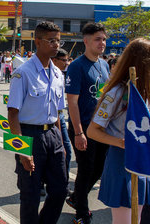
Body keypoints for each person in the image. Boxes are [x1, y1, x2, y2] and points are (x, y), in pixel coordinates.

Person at [8, 21, 67, 224]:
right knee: (31, 195)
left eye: (58, 41)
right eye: (51, 41)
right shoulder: (23, 73)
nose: (56, 45)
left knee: (60, 191)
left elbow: (57, 112)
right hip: (29, 134)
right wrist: (22, 151)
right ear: (38, 41)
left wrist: (61, 142)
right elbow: (12, 114)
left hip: (53, 135)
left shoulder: (58, 73)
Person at [87, 38, 150, 224]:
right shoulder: (117, 92)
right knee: (124, 221)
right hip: (122, 161)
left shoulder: (146, 92)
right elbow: (93, 130)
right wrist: (122, 143)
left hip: (143, 160)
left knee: (138, 219)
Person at [65, 22, 110, 224]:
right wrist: (78, 132)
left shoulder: (104, 64)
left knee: (99, 169)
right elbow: (72, 102)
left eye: (104, 39)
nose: (102, 43)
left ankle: (76, 197)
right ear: (86, 41)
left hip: (101, 128)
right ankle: (81, 213)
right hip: (83, 128)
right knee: (85, 170)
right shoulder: (76, 67)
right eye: (97, 39)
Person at [51, 48, 72, 175]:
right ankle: (42, 182)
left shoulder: (61, 75)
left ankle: (63, 181)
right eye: (64, 60)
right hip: (44, 120)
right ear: (54, 60)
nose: (67, 63)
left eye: (68, 60)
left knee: (67, 150)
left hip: (60, 116)